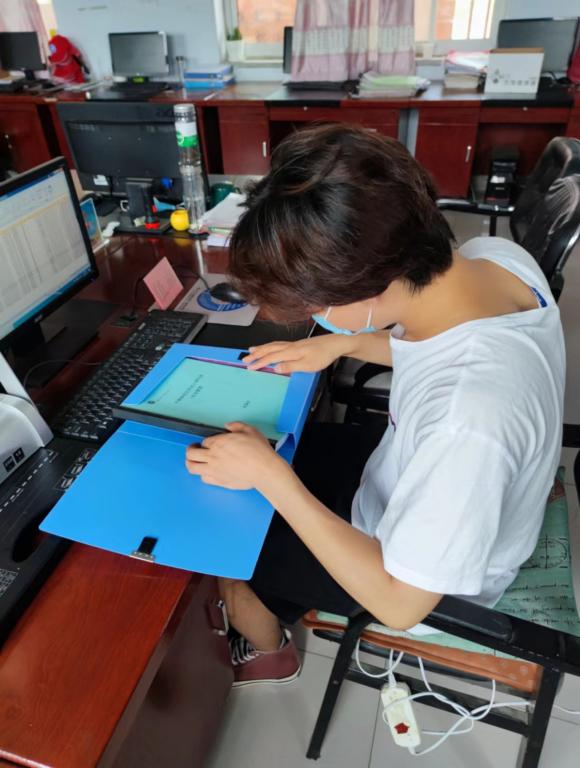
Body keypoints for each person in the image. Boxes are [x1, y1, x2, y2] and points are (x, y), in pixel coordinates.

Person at [185, 124, 565, 687]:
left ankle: (267, 652)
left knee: (222, 540)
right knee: (272, 449)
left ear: (371, 287)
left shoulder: (467, 422)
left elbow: (400, 603)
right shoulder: (493, 259)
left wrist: (272, 479)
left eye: (315, 307)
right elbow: (441, 350)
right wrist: (345, 344)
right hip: (414, 479)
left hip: (418, 573)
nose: (312, 317)